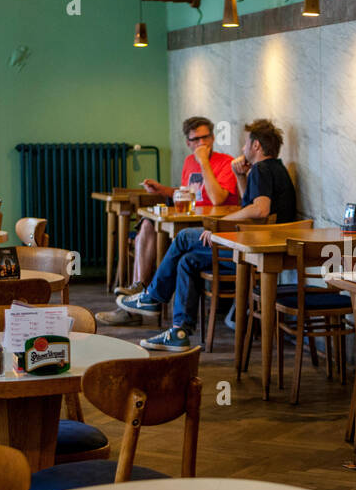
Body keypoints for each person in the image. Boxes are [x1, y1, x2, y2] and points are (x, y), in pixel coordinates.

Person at [116, 119, 297, 351]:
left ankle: (152, 296)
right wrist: (241, 176)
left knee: (183, 238)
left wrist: (220, 225)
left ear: (256, 147)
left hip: (250, 250)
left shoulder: (262, 169)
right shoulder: (272, 168)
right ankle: (179, 331)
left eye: (245, 144)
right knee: (187, 261)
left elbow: (260, 209)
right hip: (253, 247)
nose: (242, 149)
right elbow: (252, 206)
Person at [103, 116, 240, 324]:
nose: (201, 144)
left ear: (213, 138)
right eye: (196, 140)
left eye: (205, 138)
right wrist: (163, 190)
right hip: (188, 221)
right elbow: (189, 194)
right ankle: (139, 288)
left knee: (177, 241)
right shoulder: (188, 162)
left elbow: (216, 198)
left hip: (211, 228)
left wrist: (204, 162)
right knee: (148, 224)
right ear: (188, 143)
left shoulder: (225, 162)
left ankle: (142, 304)